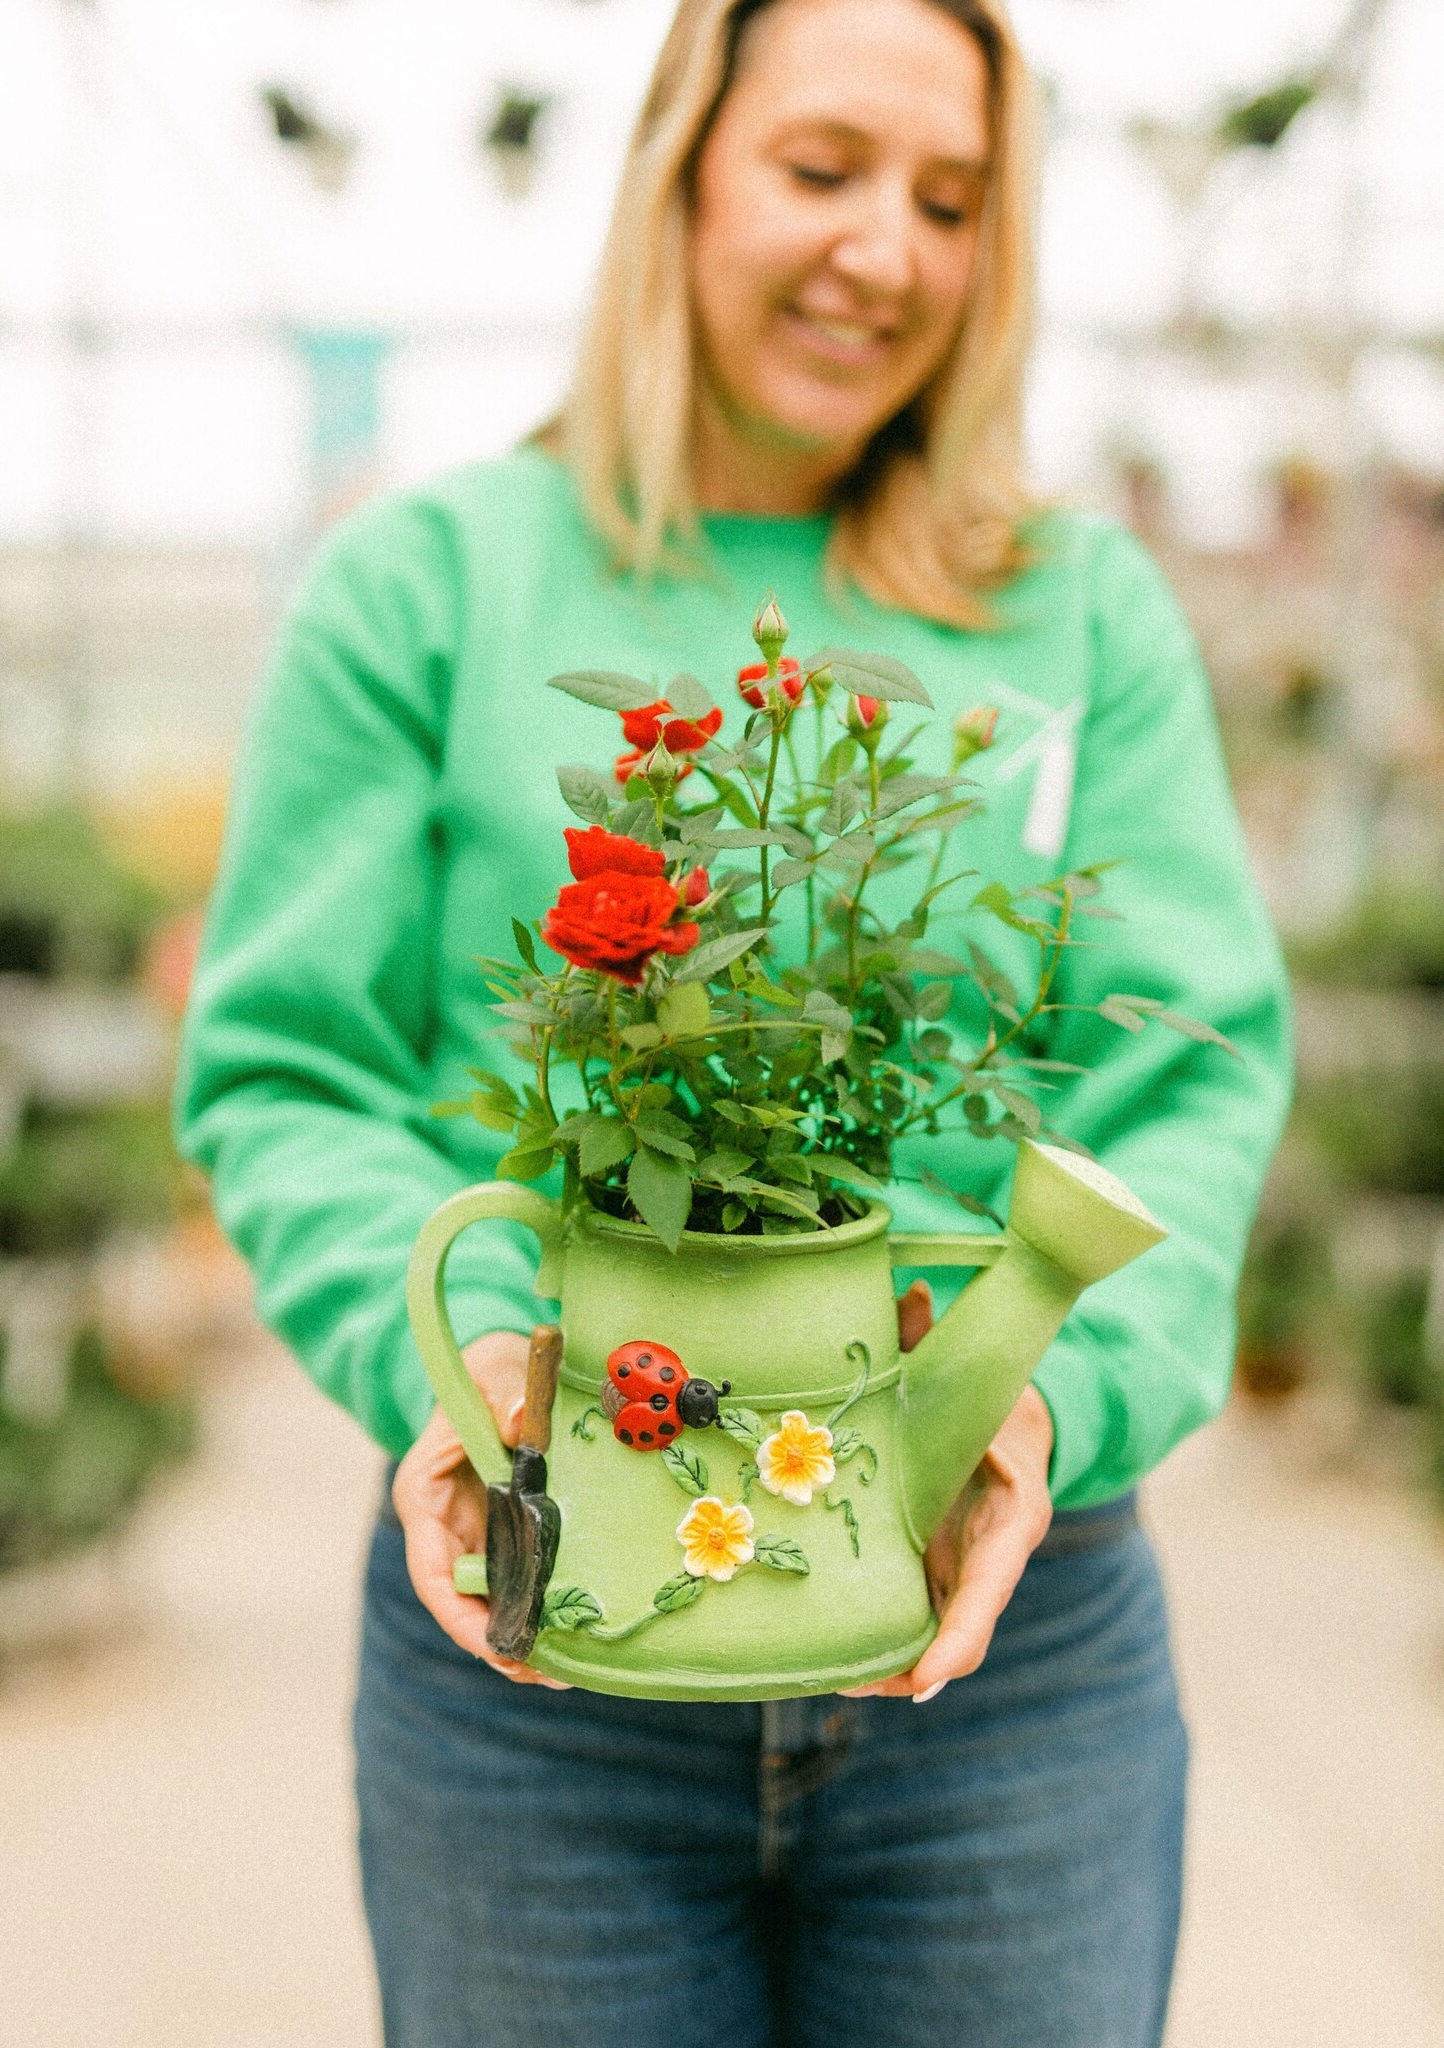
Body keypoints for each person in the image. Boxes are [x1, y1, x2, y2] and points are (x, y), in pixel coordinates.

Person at [176, 1, 1292, 2042]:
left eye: (950, 199)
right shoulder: (428, 584)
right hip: (535, 1631)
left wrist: (1045, 1399)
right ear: (676, 174)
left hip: (1007, 1650)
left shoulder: (1076, 610)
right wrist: (466, 1347)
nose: (887, 247)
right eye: (819, 168)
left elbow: (1182, 1076)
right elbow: (291, 1072)